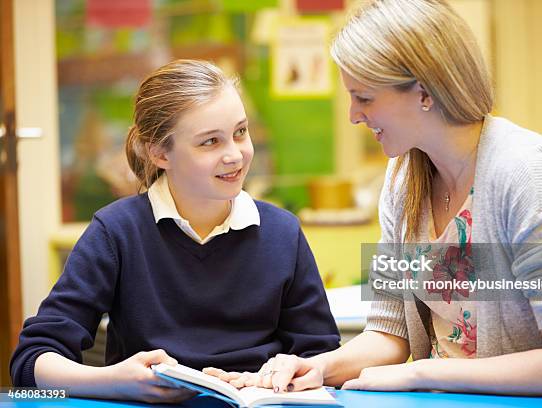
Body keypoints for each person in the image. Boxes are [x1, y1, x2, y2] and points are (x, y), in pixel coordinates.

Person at [204, 0, 542, 396]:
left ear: (424, 92)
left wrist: (421, 373)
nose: (353, 115)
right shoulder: (404, 178)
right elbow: (389, 330)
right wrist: (321, 367)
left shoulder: (529, 173)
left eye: (364, 97)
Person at [10, 60, 340, 403]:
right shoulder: (116, 232)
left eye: (240, 132)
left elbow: (321, 357)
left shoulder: (282, 232)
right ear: (159, 152)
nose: (235, 155)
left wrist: (288, 374)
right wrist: (113, 381)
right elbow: (32, 362)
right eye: (210, 142)